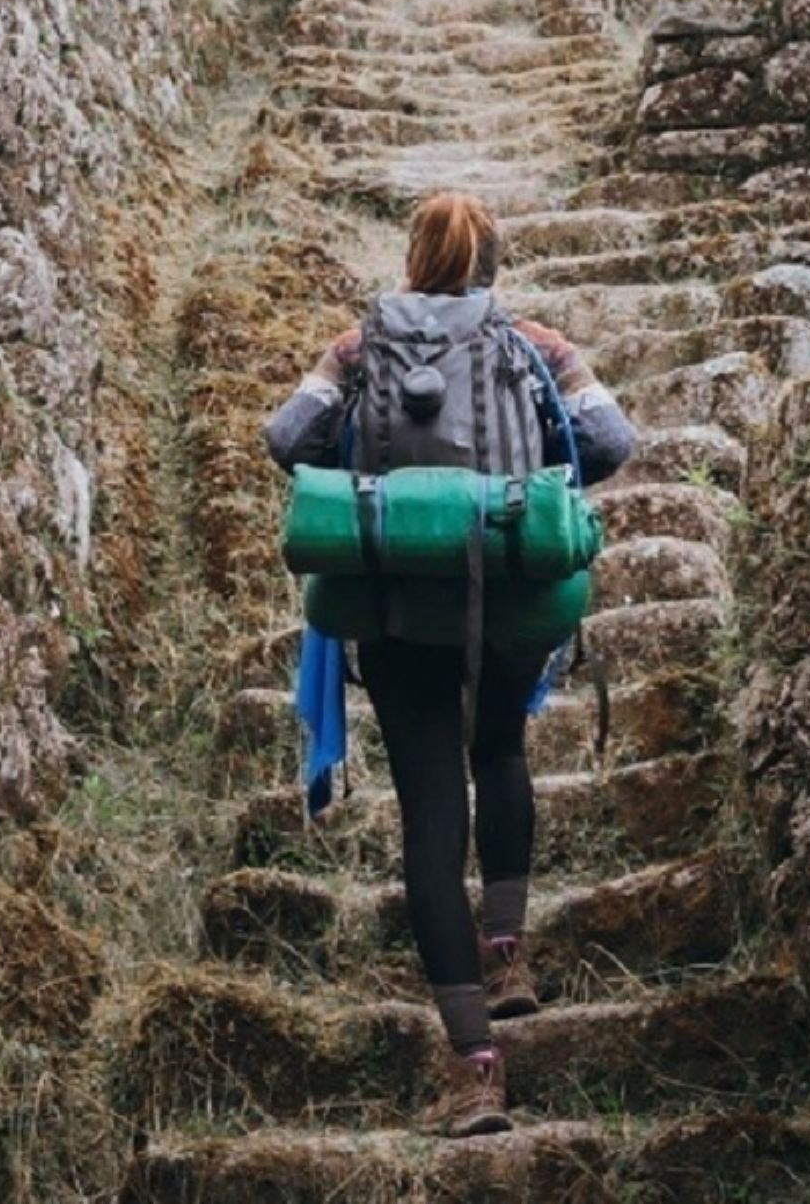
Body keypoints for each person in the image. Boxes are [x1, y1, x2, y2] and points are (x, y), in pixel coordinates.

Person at [264, 193, 636, 1137]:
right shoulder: (537, 344)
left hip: (394, 608)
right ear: (490, 266)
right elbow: (609, 442)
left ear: (414, 259)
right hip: (506, 600)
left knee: (433, 813)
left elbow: (287, 438)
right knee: (500, 750)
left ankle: (473, 1069)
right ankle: (509, 953)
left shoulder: (356, 349)